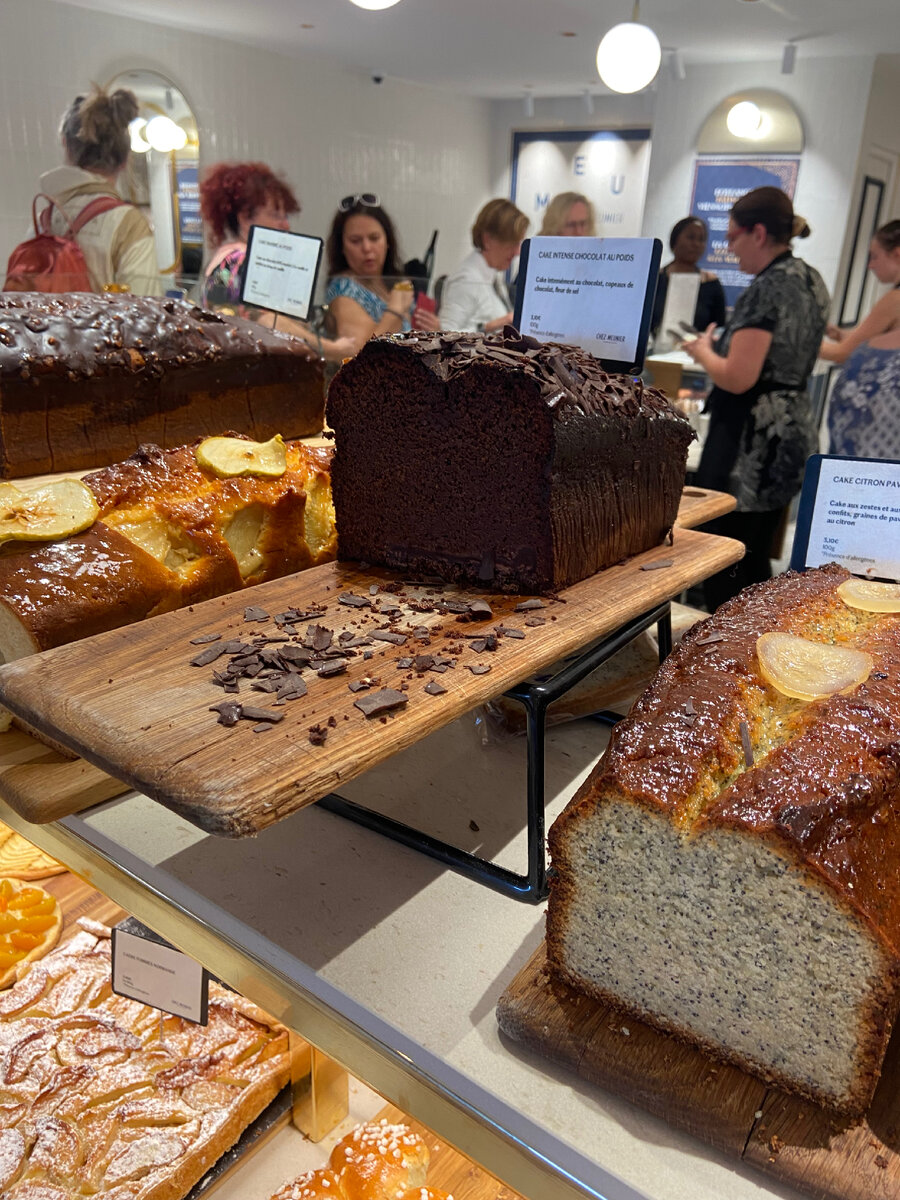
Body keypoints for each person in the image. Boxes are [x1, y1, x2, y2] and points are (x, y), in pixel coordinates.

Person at [683, 187, 830, 610]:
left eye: (732, 238)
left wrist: (704, 352)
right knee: (756, 557)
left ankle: (727, 658)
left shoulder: (767, 288)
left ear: (759, 233)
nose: (729, 249)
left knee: (727, 559)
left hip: (750, 444)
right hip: (790, 429)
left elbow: (738, 377)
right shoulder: (810, 277)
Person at [200, 162, 355, 363]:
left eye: (285, 215)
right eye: (276, 215)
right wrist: (334, 349)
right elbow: (265, 321)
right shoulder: (244, 259)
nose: (286, 224)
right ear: (245, 218)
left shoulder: (225, 257)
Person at [38, 85, 162, 295]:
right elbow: (145, 316)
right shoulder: (127, 225)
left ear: (66, 145)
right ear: (125, 158)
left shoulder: (43, 221)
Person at [821, 220, 900, 460]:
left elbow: (842, 353)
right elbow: (882, 343)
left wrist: (797, 339)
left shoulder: (894, 300)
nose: (870, 265)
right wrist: (844, 335)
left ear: (897, 254)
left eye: (874, 257)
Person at [324, 195, 441, 346]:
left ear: (387, 242)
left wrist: (435, 331)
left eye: (374, 238)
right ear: (342, 248)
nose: (367, 248)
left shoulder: (392, 281)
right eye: (355, 241)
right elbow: (360, 357)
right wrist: (395, 310)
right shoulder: (342, 290)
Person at [439, 199, 528, 333]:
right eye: (512, 243)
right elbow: (445, 335)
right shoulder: (466, 281)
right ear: (488, 240)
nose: (517, 252)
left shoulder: (493, 277)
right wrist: (491, 326)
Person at [650, 217, 726, 349]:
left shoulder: (711, 283)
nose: (696, 244)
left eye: (701, 239)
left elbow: (719, 326)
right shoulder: (655, 280)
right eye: (691, 237)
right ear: (674, 240)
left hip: (695, 359)